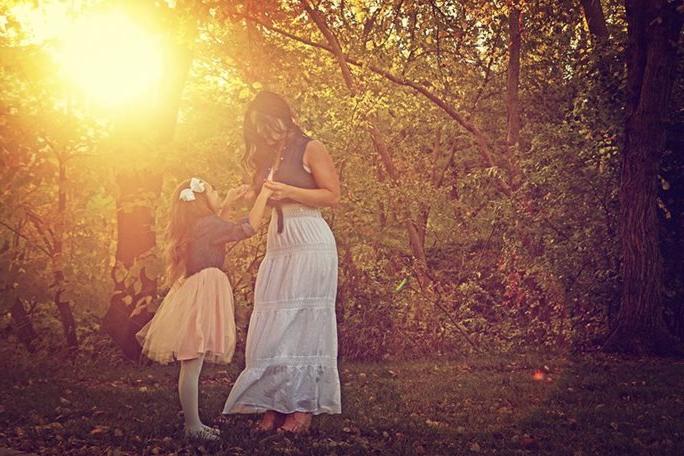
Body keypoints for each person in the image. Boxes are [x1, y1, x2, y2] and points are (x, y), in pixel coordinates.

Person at [223, 91, 341, 433]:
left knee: (303, 322)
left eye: (266, 124)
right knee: (275, 325)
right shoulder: (266, 156)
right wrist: (252, 193)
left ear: (282, 117)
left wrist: (289, 192)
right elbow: (260, 198)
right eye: (256, 128)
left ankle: (301, 409)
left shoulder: (310, 147)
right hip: (279, 244)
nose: (262, 133)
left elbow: (332, 194)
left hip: (309, 238)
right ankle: (274, 404)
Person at [137, 177, 271, 440]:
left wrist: (228, 203)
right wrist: (265, 194)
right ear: (201, 200)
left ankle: (193, 422)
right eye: (213, 189)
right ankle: (193, 426)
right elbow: (249, 227)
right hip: (203, 292)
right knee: (191, 364)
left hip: (196, 291)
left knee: (192, 363)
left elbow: (219, 228)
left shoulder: (198, 225)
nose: (217, 191)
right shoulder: (207, 225)